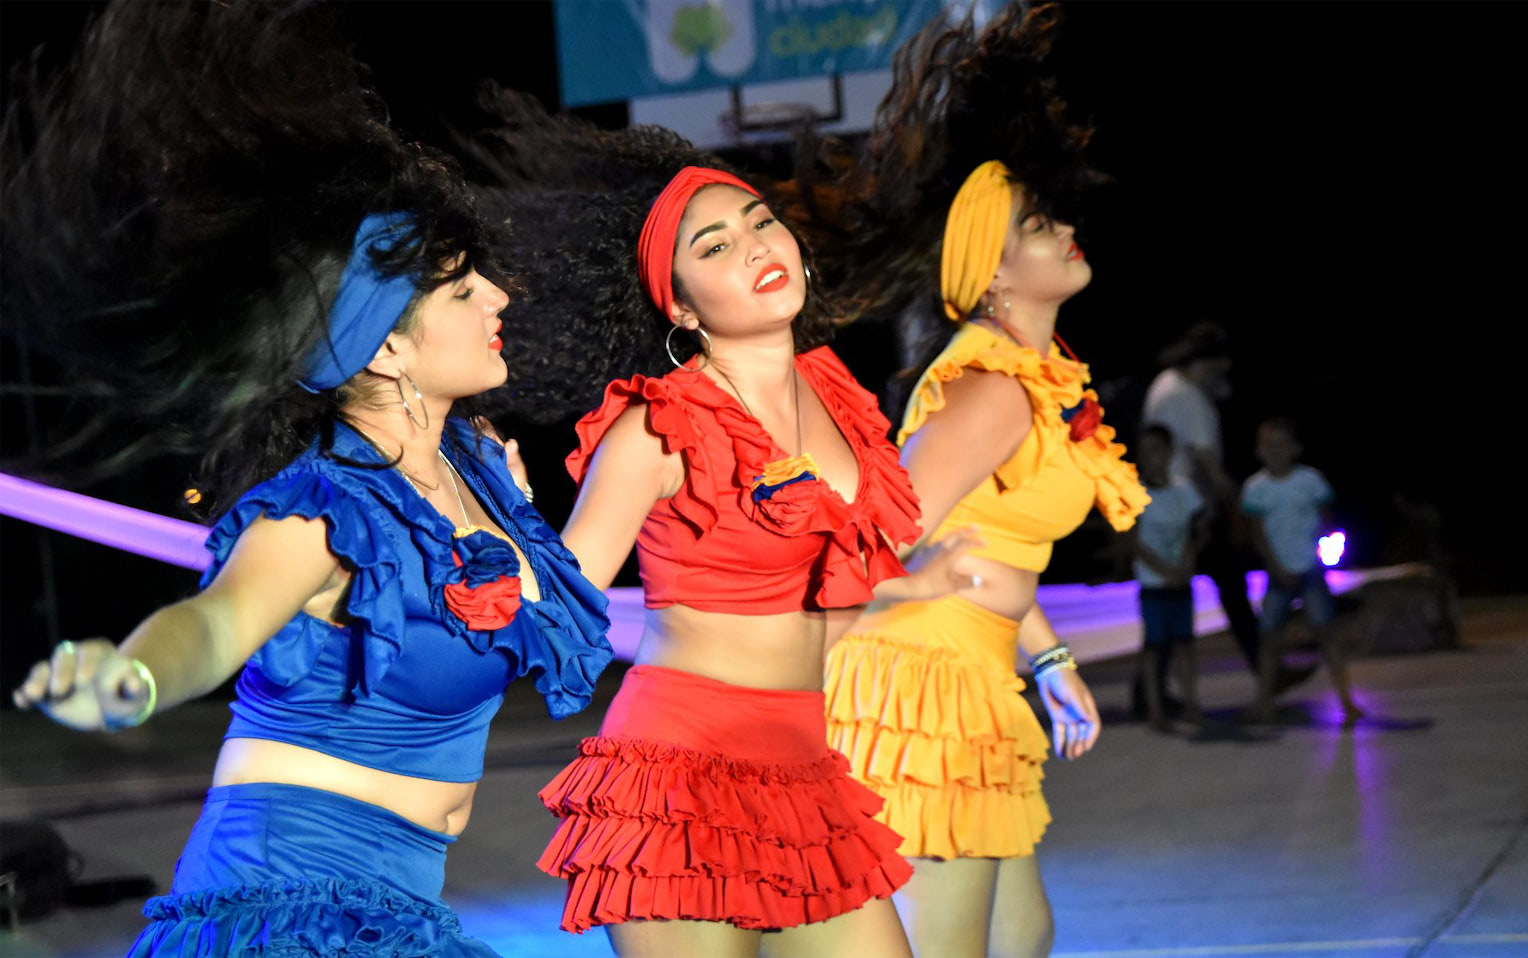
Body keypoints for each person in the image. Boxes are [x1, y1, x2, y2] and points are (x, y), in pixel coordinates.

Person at [3, 5, 611, 954]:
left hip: (400, 896)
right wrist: (133, 678)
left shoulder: (480, 469)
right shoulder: (324, 510)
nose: (498, 295)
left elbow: (568, 594)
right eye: (462, 289)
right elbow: (216, 624)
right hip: (292, 896)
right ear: (388, 350)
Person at [466, 101, 980, 957]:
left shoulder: (837, 395)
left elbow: (818, 590)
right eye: (713, 248)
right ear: (681, 307)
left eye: (761, 222)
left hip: (806, 770)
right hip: (678, 774)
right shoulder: (659, 426)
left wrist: (910, 589)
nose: (754, 246)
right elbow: (564, 590)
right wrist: (503, 517)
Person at [799, 8, 1150, 955]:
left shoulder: (1029, 377)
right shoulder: (993, 389)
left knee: (1023, 935)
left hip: (980, 674)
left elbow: (988, 549)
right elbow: (878, 538)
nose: (1066, 230)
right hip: (924, 682)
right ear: (991, 274)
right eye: (1038, 225)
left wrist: (1050, 661)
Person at [1140, 322, 1313, 713]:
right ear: (1205, 364)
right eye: (1220, 368)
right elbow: (1206, 463)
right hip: (1191, 511)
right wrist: (1240, 505)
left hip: (1165, 507)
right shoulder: (1189, 398)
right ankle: (1265, 670)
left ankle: (1150, 695)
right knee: (1213, 592)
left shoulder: (1164, 384)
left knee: (1189, 595)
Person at [1241, 418, 1362, 723]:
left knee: (1326, 634)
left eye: (1281, 444)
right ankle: (1263, 703)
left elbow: (1326, 518)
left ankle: (1347, 701)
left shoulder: (1311, 480)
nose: (1275, 451)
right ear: (1259, 450)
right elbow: (1257, 533)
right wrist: (1275, 566)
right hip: (1277, 572)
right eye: (1268, 445)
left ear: (1295, 448)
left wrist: (1318, 553)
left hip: (1310, 569)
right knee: (1270, 638)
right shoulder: (1255, 488)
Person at [1129, 424, 1207, 730]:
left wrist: (1185, 564)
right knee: (1153, 646)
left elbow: (1195, 531)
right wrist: (1163, 570)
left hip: (1181, 580)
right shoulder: (1135, 493)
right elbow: (1134, 541)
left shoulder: (1184, 490)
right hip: (1153, 582)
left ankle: (1191, 703)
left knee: (1185, 644)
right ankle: (1155, 710)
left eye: (1157, 450)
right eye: (1145, 452)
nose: (1151, 458)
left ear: (1169, 452)